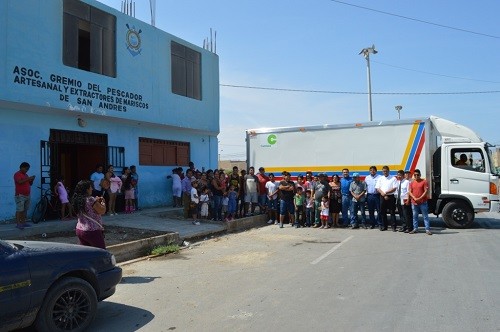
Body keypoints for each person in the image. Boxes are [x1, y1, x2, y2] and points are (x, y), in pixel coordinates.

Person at [72, 180, 105, 249]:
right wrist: (102, 202)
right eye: (90, 187)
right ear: (87, 189)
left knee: (86, 253)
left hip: (80, 229)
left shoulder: (77, 200)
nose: (92, 189)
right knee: (101, 252)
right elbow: (102, 211)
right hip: (92, 230)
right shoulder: (91, 200)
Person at [409, 169, 432, 235]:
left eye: (418, 175)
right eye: (415, 175)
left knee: (425, 216)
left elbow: (425, 191)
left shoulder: (424, 182)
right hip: (414, 202)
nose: (416, 176)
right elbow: (410, 191)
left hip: (423, 202)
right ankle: (415, 229)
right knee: (415, 216)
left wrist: (419, 198)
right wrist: (414, 198)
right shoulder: (412, 182)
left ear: (420, 175)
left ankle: (427, 229)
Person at [14, 162, 35, 229]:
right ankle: (18, 223)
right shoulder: (17, 174)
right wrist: (29, 178)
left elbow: (30, 184)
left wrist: (32, 180)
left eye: (28, 169)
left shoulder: (26, 175)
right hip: (20, 195)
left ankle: (23, 222)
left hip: (27, 195)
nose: (27, 170)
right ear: (22, 167)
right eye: (26, 169)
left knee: (25, 210)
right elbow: (19, 182)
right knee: (19, 209)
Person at [375, 166, 397, 231]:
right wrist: (383, 194)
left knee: (392, 212)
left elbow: (394, 188)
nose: (385, 172)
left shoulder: (393, 178)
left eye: (386, 171)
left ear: (388, 171)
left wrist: (386, 192)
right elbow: (377, 188)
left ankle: (393, 227)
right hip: (382, 196)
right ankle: (384, 226)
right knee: (382, 212)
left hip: (390, 197)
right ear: (382, 171)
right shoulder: (380, 178)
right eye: (384, 171)